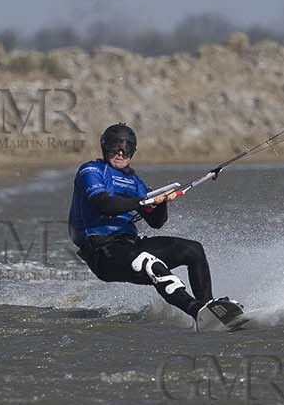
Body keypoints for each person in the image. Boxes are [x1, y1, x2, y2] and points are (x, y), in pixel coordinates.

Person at [68, 122, 248, 330]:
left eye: (126, 148)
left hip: (130, 245)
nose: (120, 152)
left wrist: (160, 203)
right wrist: (143, 201)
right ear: (104, 147)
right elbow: (104, 204)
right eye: (115, 147)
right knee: (148, 262)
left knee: (193, 250)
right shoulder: (91, 170)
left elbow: (156, 223)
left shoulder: (134, 182)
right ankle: (196, 310)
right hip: (102, 251)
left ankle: (209, 309)